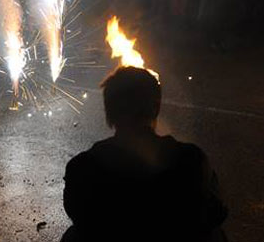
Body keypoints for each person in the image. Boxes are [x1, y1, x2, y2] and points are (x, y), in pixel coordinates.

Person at [62, 67, 227, 242]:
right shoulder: (191, 160)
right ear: (156, 107)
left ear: (109, 110)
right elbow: (216, 211)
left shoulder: (82, 167)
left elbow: (77, 213)